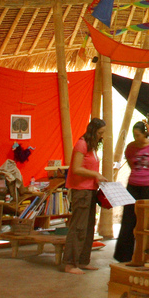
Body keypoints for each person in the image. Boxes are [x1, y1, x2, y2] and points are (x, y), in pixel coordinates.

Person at [113, 121, 149, 263]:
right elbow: (129, 162)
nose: (136, 138)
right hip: (133, 186)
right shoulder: (130, 147)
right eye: (134, 135)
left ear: (144, 133)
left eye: (138, 135)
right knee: (129, 219)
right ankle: (123, 256)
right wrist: (138, 174)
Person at [62, 118, 105, 275]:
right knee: (78, 227)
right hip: (81, 191)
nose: (102, 136)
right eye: (100, 133)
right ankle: (70, 263)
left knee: (88, 228)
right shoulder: (82, 144)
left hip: (91, 190)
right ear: (93, 131)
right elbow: (75, 169)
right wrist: (95, 174)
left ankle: (82, 261)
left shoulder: (92, 147)